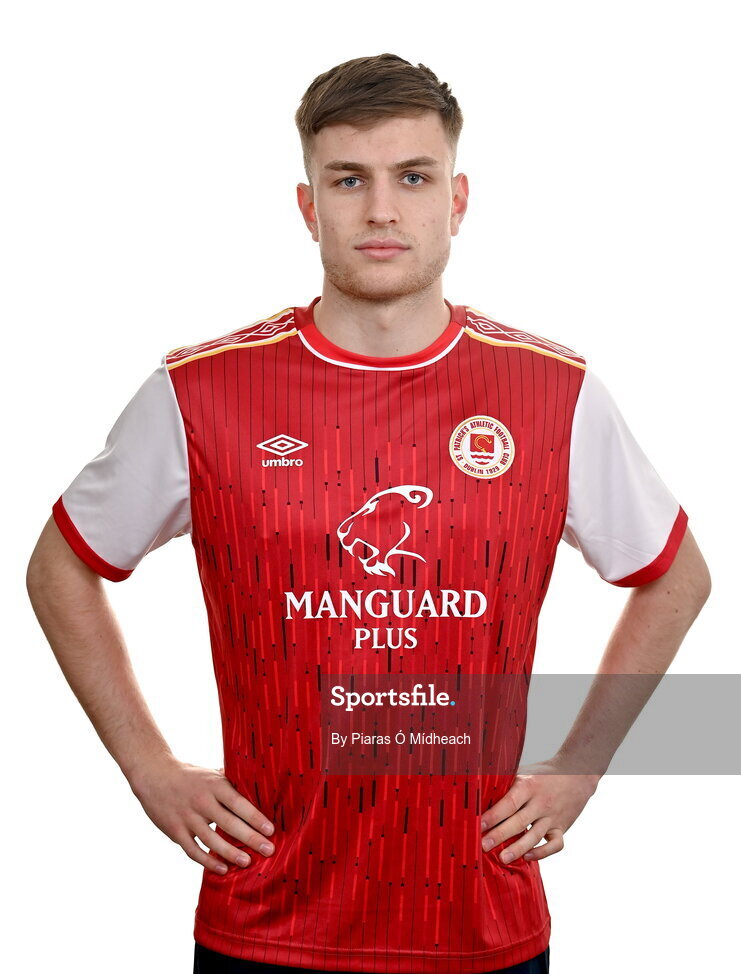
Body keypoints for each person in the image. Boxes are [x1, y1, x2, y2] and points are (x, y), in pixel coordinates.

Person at [27, 53, 711, 974]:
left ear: (457, 199)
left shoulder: (553, 393)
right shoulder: (203, 392)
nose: (381, 209)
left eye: (412, 178)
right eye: (348, 180)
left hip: (480, 918)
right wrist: (148, 767)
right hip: (266, 920)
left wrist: (578, 767)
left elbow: (675, 578)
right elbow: (60, 566)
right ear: (309, 205)